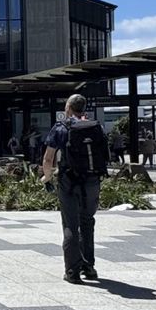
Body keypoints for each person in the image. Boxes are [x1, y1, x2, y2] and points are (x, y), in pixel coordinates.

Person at [43, 93, 108, 284]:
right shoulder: (96, 126)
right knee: (87, 221)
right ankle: (89, 267)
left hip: (69, 181)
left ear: (68, 108)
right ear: (84, 109)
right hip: (92, 180)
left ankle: (72, 271)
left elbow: (48, 158)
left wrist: (47, 178)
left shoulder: (62, 127)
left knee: (71, 224)